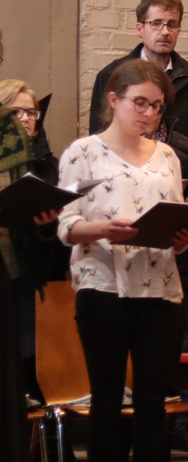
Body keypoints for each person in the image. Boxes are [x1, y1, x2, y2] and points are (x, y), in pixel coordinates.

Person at [57, 59, 188, 462]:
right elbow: (66, 225)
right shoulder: (83, 152)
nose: (149, 114)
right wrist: (102, 229)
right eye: (140, 103)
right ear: (113, 99)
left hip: (161, 288)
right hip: (103, 286)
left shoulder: (168, 156)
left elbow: (174, 222)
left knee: (153, 402)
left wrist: (183, 239)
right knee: (107, 400)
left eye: (157, 106)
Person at [89, 0, 188, 141]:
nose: (165, 32)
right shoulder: (110, 77)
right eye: (156, 24)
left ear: (178, 31)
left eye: (172, 24)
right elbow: (99, 140)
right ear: (140, 29)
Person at [0, 80, 62, 404]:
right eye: (16, 112)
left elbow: (59, 241)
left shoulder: (46, 166)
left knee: (27, 359)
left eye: (31, 112)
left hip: (31, 278)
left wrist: (47, 225)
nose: (25, 119)